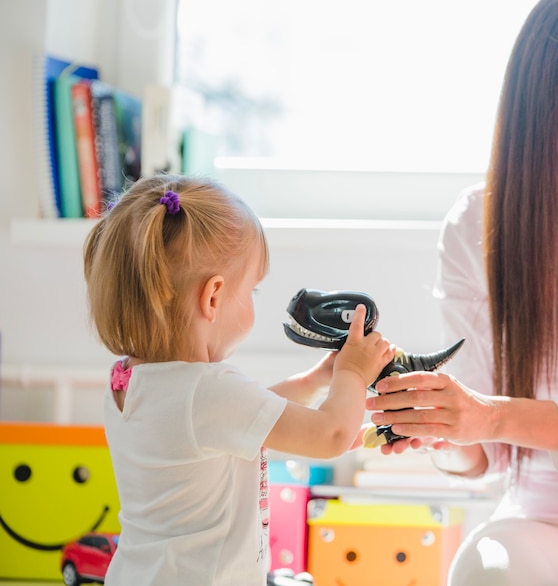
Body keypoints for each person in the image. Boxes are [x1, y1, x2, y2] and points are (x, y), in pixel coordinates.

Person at [365, 0, 558, 585]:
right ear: (553, 110)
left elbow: (496, 417)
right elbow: (486, 453)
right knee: (488, 572)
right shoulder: (477, 225)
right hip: (543, 515)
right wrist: (440, 426)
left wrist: (491, 415)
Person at [83, 175, 394, 586]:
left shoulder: (132, 380)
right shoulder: (206, 390)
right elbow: (330, 435)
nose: (252, 302)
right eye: (252, 291)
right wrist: (354, 371)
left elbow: (248, 414)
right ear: (213, 297)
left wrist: (319, 379)